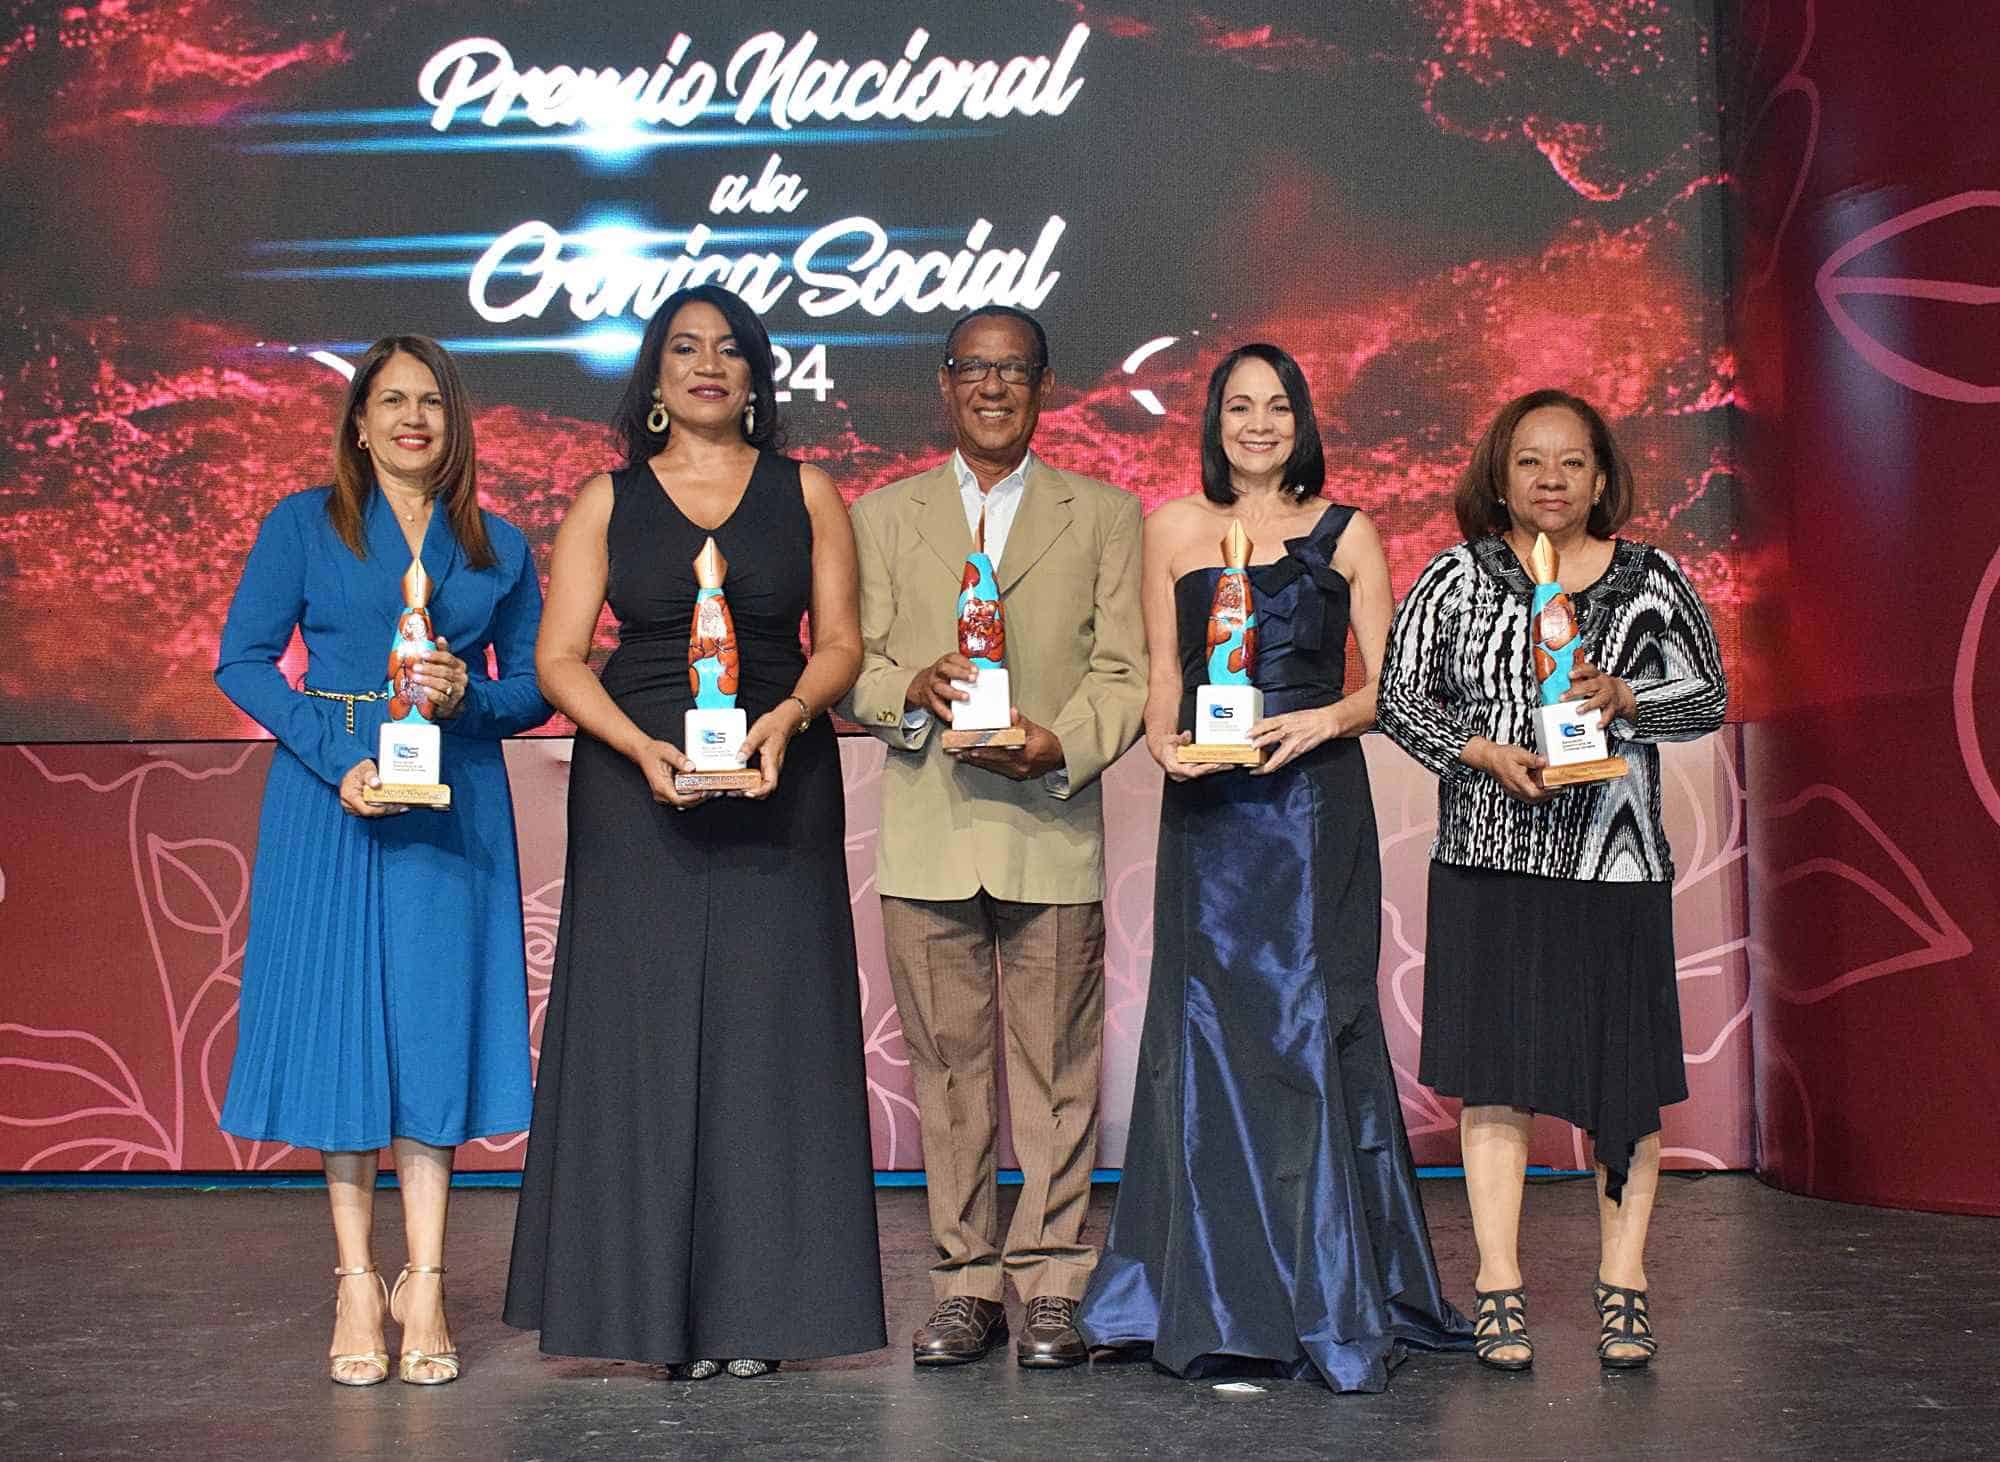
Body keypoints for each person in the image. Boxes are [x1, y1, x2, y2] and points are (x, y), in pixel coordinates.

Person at [503, 284, 885, 1378]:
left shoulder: (807, 491)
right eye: (684, 348)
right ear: (655, 376)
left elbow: (842, 644)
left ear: (757, 375)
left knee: (774, 1039)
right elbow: (560, 657)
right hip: (638, 787)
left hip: (780, 771)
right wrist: (637, 748)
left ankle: (761, 1314)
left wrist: (785, 720)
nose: (707, 364)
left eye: (728, 348)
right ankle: (643, 1317)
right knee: (642, 1036)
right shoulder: (605, 499)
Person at [1076, 344, 1471, 1392]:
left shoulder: (1350, 532)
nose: (1258, 423)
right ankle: (1203, 1290)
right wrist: (1161, 744)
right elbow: (1163, 674)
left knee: (1307, 1024)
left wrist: (1317, 722)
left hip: (1307, 805)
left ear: (1301, 418)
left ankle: (1327, 1290)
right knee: (1202, 1028)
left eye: (1277, 406)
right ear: (1213, 419)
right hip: (1207, 810)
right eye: (1239, 406)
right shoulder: (1168, 526)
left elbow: (1391, 688)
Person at [215, 334, 550, 1387]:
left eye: (432, 403)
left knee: (431, 1030)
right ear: (357, 420)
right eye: (391, 401)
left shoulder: (498, 544)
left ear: (455, 427)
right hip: (333, 800)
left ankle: (430, 1276)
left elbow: (533, 685)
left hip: (454, 803)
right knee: (343, 1030)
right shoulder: (301, 525)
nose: (413, 418)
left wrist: (470, 696)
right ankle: (359, 1276)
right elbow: (244, 660)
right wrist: (333, 757)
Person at [1376, 387, 1727, 1372]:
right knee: (1494, 1080)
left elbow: (1708, 694)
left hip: (1614, 865)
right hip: (1487, 860)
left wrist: (1628, 695)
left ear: (1601, 478)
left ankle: (1623, 1283)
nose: (1549, 480)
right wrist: (1478, 750)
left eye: (1570, 463)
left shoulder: (1652, 578)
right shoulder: (1454, 577)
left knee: (1624, 1083)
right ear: (1499, 473)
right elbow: (1401, 698)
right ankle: (1497, 1285)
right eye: (1529, 461)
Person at [844, 305, 1147, 1369]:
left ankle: (1053, 1282)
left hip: (1048, 820)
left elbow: (1127, 675)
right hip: (930, 829)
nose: (991, 386)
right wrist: (913, 690)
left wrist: (1057, 741)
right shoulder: (881, 515)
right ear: (943, 383)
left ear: (1042, 386)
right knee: (949, 1074)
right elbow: (855, 663)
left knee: (1060, 1072)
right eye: (973, 368)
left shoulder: (1104, 513)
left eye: (1012, 370)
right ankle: (965, 1283)